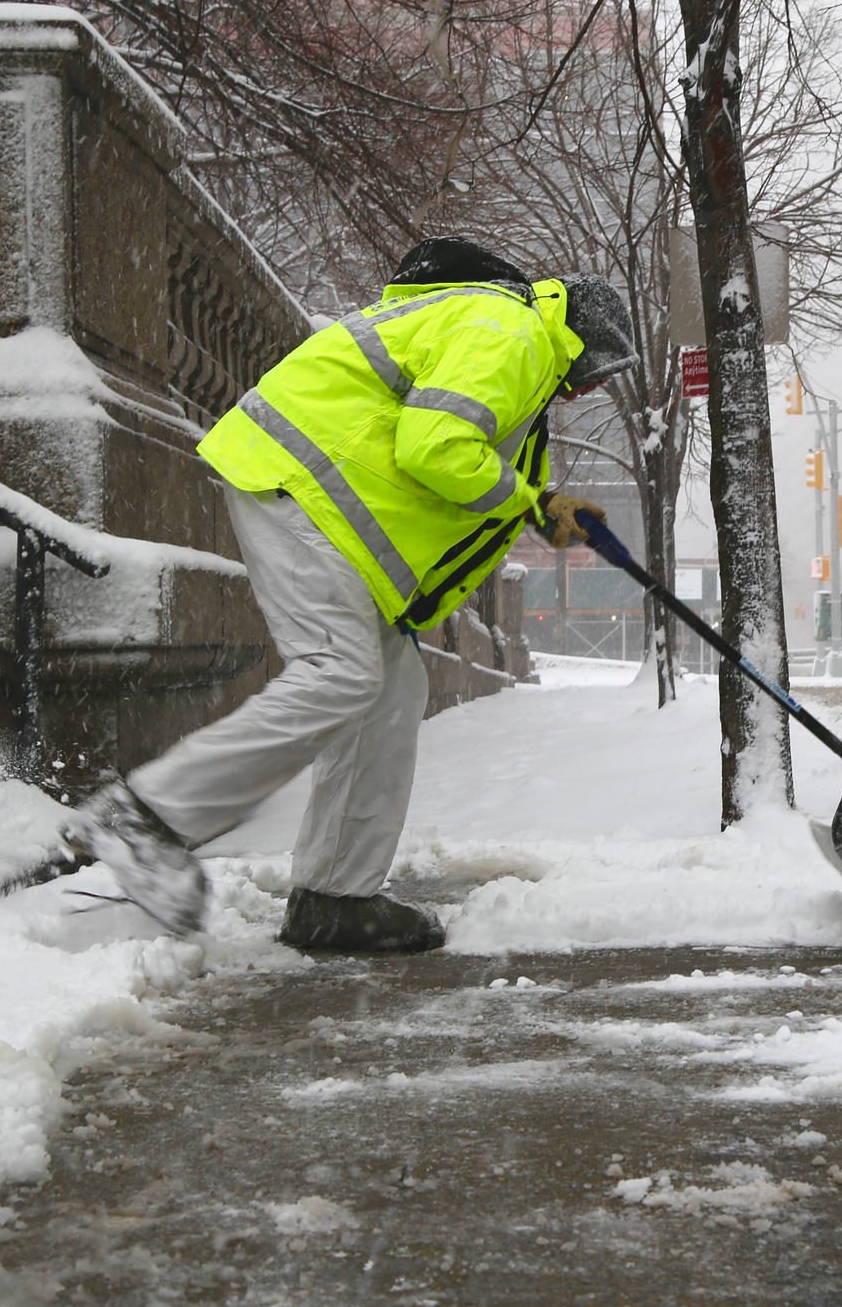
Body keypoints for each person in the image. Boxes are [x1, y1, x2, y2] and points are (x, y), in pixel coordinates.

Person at [62, 237, 635, 952]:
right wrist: (531, 499)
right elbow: (434, 444)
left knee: (392, 690)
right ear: (580, 342)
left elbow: (450, 462)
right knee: (340, 672)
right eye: (600, 371)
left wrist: (536, 504)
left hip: (328, 510)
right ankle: (146, 819)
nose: (594, 389)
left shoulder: (510, 339)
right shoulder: (514, 333)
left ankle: (334, 898)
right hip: (302, 486)